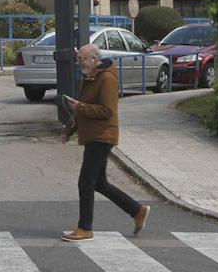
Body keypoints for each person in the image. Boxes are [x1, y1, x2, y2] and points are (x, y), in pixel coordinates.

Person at [59, 42, 151, 242]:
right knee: (99, 183)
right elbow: (84, 107)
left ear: (93, 59)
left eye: (81, 59)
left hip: (102, 136)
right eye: (78, 59)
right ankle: (137, 210)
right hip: (94, 135)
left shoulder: (106, 78)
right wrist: (70, 129)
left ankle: (85, 228)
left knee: (86, 183)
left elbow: (106, 111)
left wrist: (80, 106)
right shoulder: (90, 77)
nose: (78, 62)